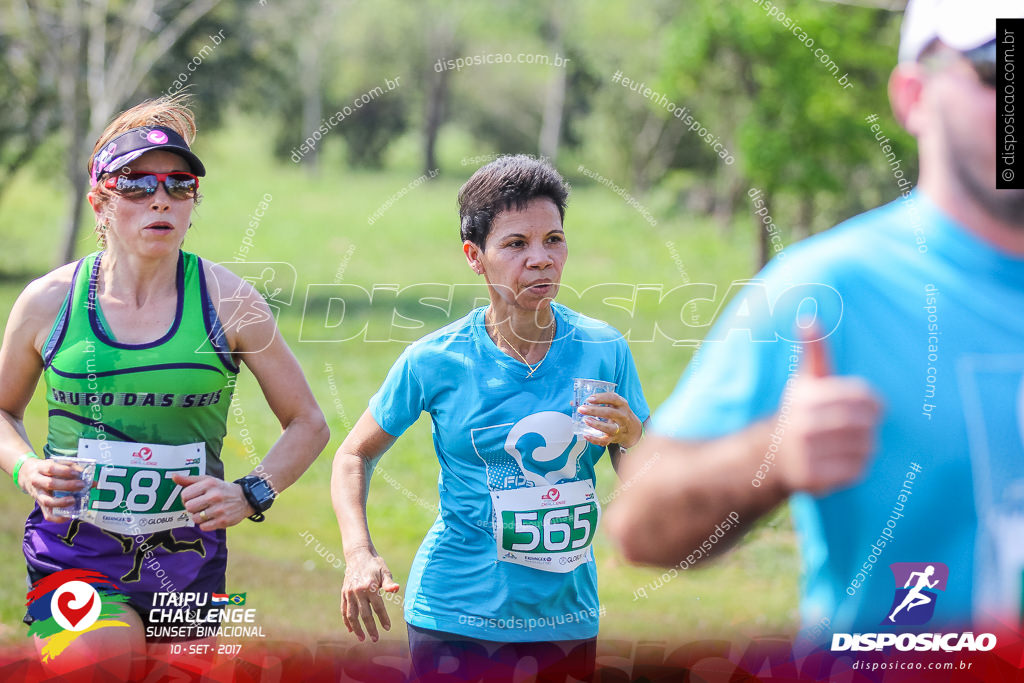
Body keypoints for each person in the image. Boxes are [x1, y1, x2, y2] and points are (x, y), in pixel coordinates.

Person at [606, 0, 1024, 637]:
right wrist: (773, 456)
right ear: (913, 96)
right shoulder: (827, 290)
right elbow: (641, 523)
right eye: (1001, 68)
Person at [0, 95, 330, 675]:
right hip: (77, 549)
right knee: (96, 665)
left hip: (186, 557)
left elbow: (308, 423)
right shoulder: (49, 302)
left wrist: (251, 492)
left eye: (180, 185)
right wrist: (27, 467)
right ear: (99, 201)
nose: (161, 199)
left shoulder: (229, 302)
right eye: (137, 185)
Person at [331, 155, 649, 679]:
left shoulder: (603, 350)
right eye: (516, 244)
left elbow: (651, 473)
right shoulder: (436, 360)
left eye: (554, 239)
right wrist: (358, 554)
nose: (541, 259)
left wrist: (634, 438)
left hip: (566, 619)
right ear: (474, 256)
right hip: (455, 614)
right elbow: (353, 454)